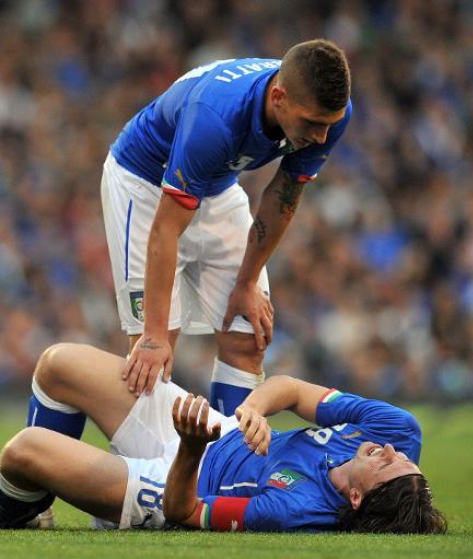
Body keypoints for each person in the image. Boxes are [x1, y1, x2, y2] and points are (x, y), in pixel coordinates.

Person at [0, 343, 446, 533]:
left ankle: (1, 516)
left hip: (178, 482)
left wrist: (192, 448)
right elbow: (288, 388)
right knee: (57, 364)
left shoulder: (295, 511)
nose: (390, 451)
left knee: (23, 451)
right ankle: (35, 510)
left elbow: (185, 513)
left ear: (355, 498)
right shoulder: (397, 429)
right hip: (214, 431)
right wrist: (250, 411)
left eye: (386, 464)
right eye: (402, 458)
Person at [102, 39, 353, 414]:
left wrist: (247, 282)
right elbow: (165, 228)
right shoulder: (215, 118)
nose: (320, 137)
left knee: (249, 333)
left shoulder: (330, 113)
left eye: (327, 126)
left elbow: (283, 194)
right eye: (312, 124)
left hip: (216, 184)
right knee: (153, 354)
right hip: (144, 186)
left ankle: (229, 463)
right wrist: (154, 336)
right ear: (279, 97)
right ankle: (149, 470)